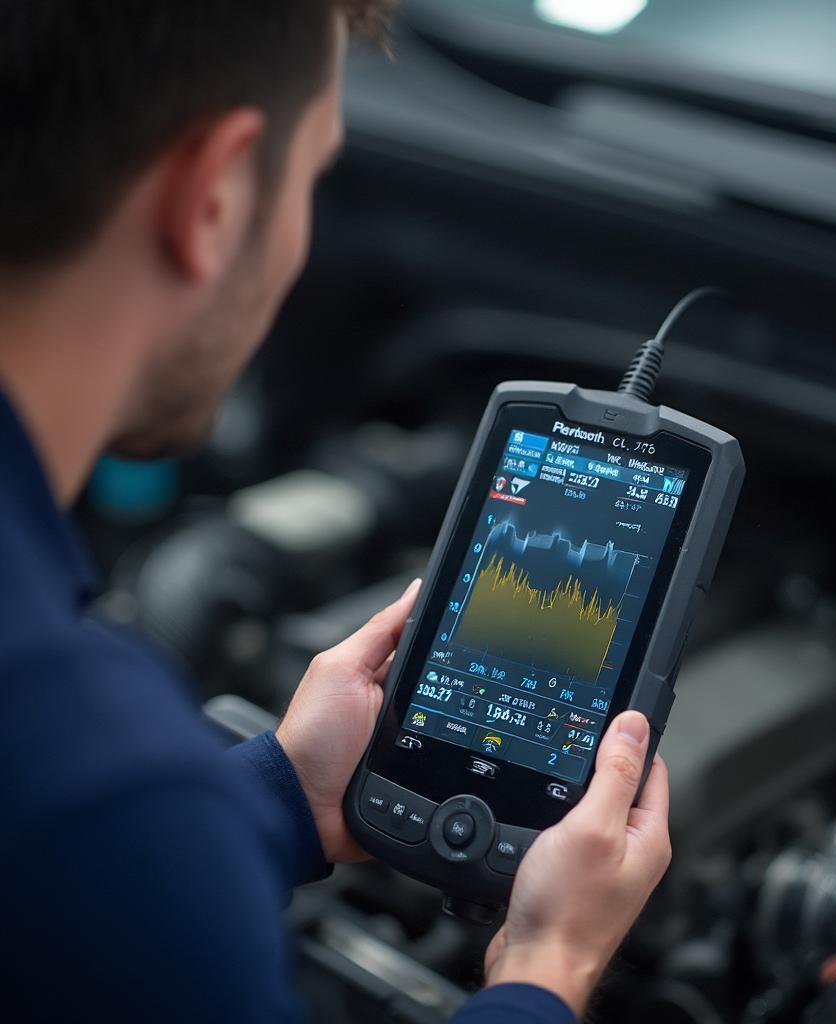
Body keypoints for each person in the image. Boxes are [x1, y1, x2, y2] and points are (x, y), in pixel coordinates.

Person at [0, 3, 672, 1021]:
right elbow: (90, 847)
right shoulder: (89, 776)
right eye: (314, 174)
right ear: (215, 196)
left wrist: (286, 798)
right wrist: (549, 962)